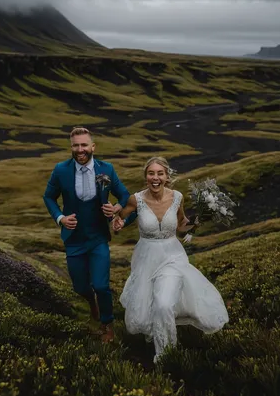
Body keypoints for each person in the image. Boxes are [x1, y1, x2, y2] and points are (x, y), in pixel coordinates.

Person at [112, 156, 229, 363]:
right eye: (151, 173)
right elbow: (121, 217)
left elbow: (180, 225)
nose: (155, 178)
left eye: (160, 173)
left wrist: (197, 221)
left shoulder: (177, 197)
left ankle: (166, 356)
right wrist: (117, 222)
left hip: (172, 257)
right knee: (145, 312)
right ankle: (159, 340)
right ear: (146, 176)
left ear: (166, 177)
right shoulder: (135, 199)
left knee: (164, 304)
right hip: (145, 259)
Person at [43, 127, 136, 342]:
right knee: (80, 287)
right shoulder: (61, 170)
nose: (80, 149)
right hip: (73, 239)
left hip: (98, 238)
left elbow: (123, 194)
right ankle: (91, 302)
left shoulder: (107, 169)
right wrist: (61, 218)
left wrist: (117, 208)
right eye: (76, 145)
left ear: (92, 147)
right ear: (71, 147)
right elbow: (49, 197)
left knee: (101, 285)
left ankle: (107, 324)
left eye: (84, 145)